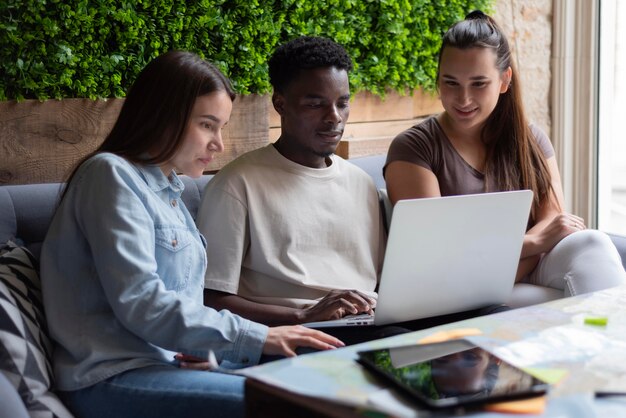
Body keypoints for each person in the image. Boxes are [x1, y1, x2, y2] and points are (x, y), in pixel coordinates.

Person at [40, 50, 343, 418]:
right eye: (207, 125)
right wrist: (261, 335)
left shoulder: (169, 192)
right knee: (297, 403)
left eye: (222, 127)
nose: (219, 144)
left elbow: (183, 304)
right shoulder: (110, 176)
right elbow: (142, 302)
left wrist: (204, 352)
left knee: (328, 364)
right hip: (113, 375)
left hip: (170, 364)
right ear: (163, 116)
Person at [384, 11, 626, 297]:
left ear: (504, 80)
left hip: (525, 267)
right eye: (451, 83)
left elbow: (553, 223)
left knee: (592, 243)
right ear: (438, 80)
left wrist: (526, 248)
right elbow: (440, 256)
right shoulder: (414, 148)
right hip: (459, 289)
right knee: (558, 301)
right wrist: (532, 244)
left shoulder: (530, 138)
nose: (463, 99)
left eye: (478, 83)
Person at [197, 36, 407, 345]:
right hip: (297, 334)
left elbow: (385, 281)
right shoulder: (237, 185)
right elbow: (210, 300)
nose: (334, 117)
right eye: (315, 104)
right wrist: (303, 316)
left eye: (342, 103)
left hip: (369, 322)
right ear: (280, 104)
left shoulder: (361, 183)